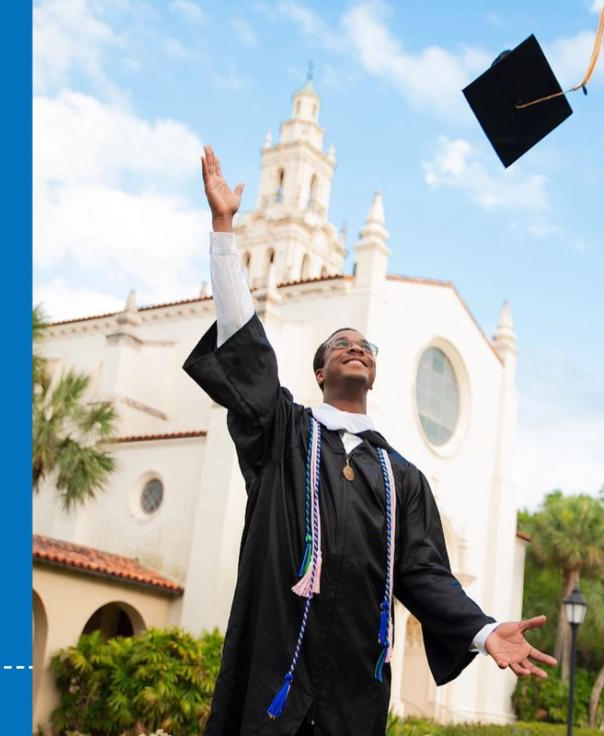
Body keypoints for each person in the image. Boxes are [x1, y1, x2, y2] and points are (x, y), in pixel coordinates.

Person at [183, 146, 557, 736]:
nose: (355, 347)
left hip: (353, 696)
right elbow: (243, 347)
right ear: (320, 372)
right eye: (340, 344)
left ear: (373, 372)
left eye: (365, 346)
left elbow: (425, 573)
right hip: (272, 679)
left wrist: (484, 633)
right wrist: (225, 229)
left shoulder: (400, 477)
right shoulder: (283, 435)